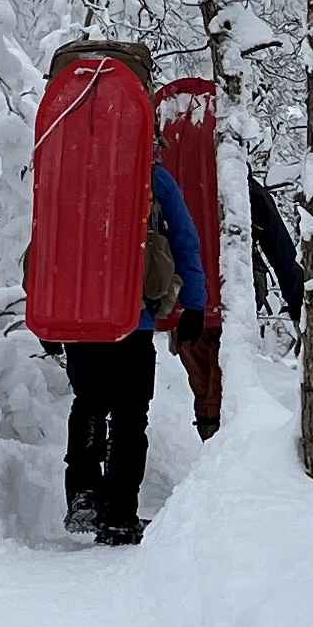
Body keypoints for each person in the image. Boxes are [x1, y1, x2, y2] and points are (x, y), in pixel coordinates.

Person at [60, 157, 205, 545]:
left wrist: (46, 314)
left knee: (88, 402)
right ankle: (120, 515)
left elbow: (47, 237)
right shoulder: (152, 175)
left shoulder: (68, 167)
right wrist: (195, 303)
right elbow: (185, 240)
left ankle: (84, 494)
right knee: (129, 417)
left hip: (78, 315)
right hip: (133, 316)